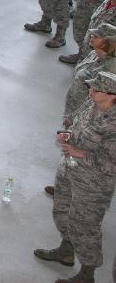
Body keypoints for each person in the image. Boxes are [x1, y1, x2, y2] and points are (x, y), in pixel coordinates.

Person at [33, 69, 116, 283]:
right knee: (61, 210)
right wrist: (67, 135)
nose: (91, 91)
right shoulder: (91, 105)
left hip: (94, 184)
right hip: (70, 170)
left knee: (85, 226)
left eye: (97, 90)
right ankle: (66, 251)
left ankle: (87, 274)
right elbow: (77, 125)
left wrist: (82, 153)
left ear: (112, 96)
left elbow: (111, 163)